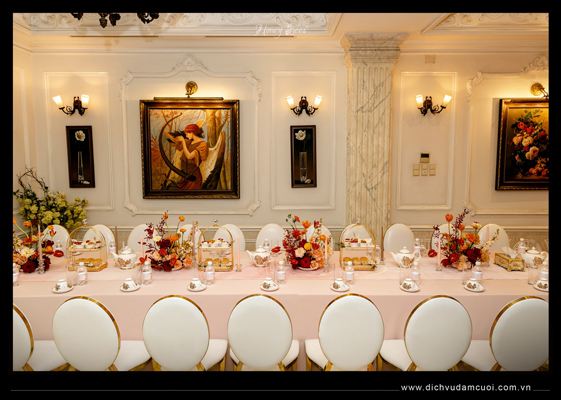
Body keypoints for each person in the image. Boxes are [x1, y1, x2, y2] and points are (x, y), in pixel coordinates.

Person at [174, 123, 209, 190]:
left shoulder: (203, 144)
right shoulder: (188, 142)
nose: (186, 136)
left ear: (192, 132)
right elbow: (175, 142)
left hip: (193, 177)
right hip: (184, 176)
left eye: (187, 134)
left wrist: (183, 142)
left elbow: (189, 156)